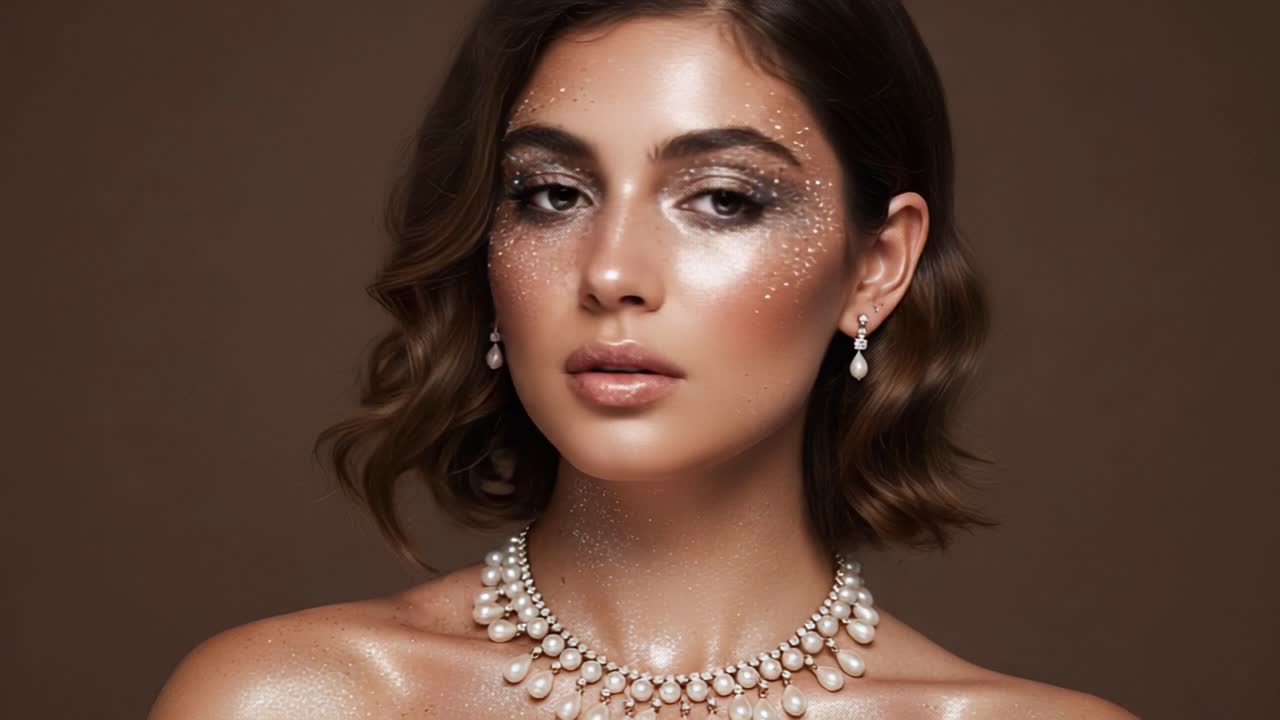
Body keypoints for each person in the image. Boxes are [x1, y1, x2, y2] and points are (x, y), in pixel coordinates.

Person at [150, 1, 1136, 718]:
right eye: (550, 195)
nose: (611, 272)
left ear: (873, 268)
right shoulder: (287, 702)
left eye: (721, 199)